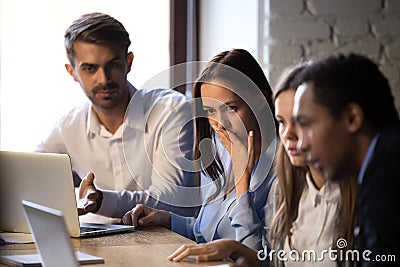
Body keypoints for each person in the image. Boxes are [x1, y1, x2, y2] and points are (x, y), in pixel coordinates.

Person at [122, 49, 278, 262]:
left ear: (260, 99)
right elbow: (208, 234)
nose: (220, 123)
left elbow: (261, 258)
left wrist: (243, 185)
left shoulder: (283, 169)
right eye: (211, 111)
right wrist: (166, 219)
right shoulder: (221, 151)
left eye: (231, 108)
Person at [36, 12, 196, 218]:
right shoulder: (67, 127)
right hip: (99, 245)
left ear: (129, 62)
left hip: (170, 245)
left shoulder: (171, 111)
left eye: (113, 64)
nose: (103, 79)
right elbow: (27, 175)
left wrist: (100, 201)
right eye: (90, 68)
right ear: (72, 72)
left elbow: (168, 199)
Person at [293, 53, 400, 266]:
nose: (300, 144)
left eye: (306, 125)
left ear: (352, 117)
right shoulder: (382, 162)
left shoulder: (389, 174)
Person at [268, 63, 357, 266]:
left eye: (301, 121)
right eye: (281, 122)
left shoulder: (366, 196)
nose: (288, 134)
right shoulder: (283, 191)